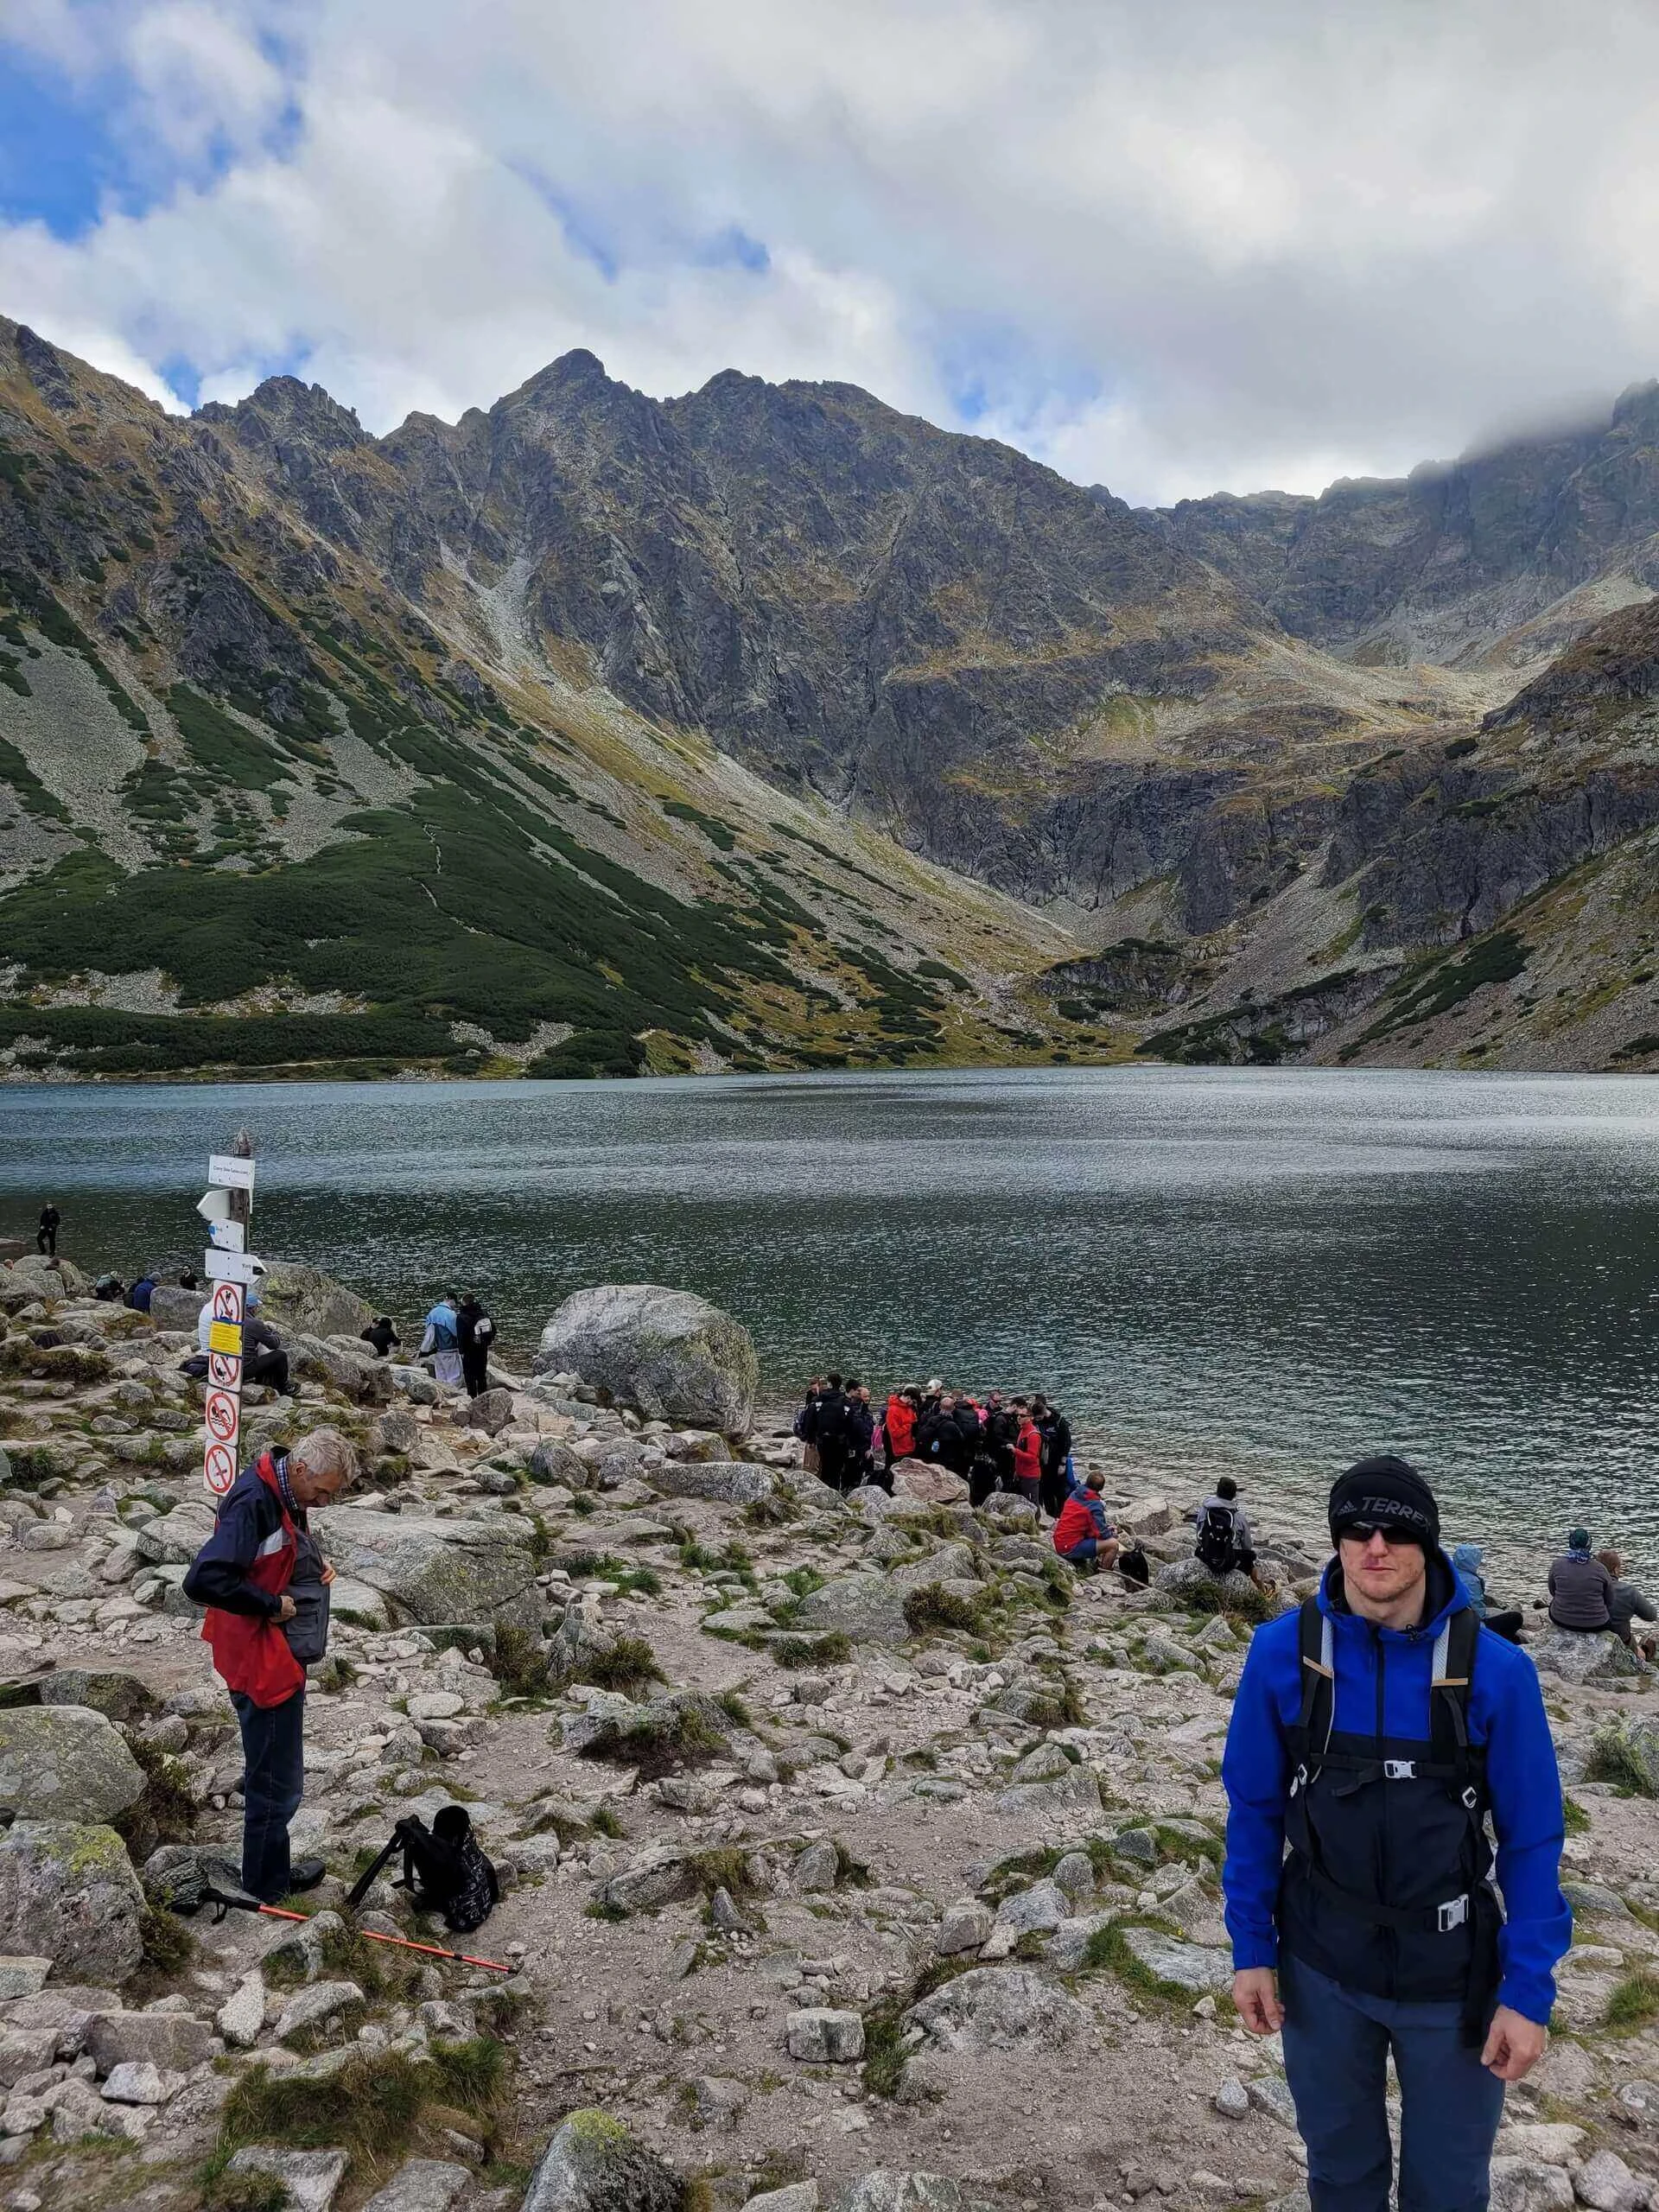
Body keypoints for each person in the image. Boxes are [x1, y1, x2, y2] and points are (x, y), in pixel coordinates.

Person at [1223, 1454, 1569, 2212]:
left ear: (1430, 1546)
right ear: (1337, 1540)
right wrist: (1251, 1948)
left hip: (1452, 1979)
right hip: (1320, 1966)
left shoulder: (1498, 1672)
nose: (1375, 1547)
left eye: (1396, 1532)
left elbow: (1533, 1838)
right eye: (1356, 1529)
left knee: (1446, 2190)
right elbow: (1252, 1807)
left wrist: (1528, 1989)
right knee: (1340, 2175)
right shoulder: (1283, 1654)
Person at [182, 1427, 359, 1902]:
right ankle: (265, 1887)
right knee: (276, 1778)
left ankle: (271, 1870)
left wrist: (312, 1566)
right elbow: (202, 1580)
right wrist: (268, 1604)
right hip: (259, 1656)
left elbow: (277, 1549)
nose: (323, 1504)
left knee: (276, 1768)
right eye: (322, 1493)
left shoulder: (282, 1487)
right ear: (301, 1470)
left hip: (270, 1650)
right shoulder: (252, 1502)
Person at [200, 1286, 295, 1397]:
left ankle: (264, 1382)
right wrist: (271, 1333)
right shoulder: (254, 1324)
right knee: (280, 1355)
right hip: (242, 1370)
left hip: (222, 1366)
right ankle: (284, 1387)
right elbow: (274, 1344)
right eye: (256, 1307)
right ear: (252, 1308)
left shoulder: (224, 1318)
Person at [1452, 1541, 1524, 1644]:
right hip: (1470, 1626)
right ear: (1472, 1561)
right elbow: (1478, 1612)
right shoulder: (1471, 1581)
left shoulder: (1450, 1573)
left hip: (1453, 1621)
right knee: (1516, 1618)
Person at [1052, 1466, 1119, 1573]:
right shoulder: (1095, 1505)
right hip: (1069, 1547)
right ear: (1101, 1488)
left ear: (1087, 1482)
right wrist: (1111, 1533)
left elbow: (1086, 1523)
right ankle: (1105, 1574)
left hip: (1060, 1541)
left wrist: (1106, 1529)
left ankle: (1095, 1562)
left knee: (1102, 1538)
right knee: (1113, 1544)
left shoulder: (1075, 1494)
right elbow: (1101, 1533)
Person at [1547, 1528, 1614, 1631]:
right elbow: (1609, 1599)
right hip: (1596, 1623)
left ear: (1570, 1544)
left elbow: (1553, 1591)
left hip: (1561, 1619)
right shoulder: (1600, 1568)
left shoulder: (1557, 1564)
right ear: (1589, 1545)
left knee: (1552, 1604)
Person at [1598, 1550, 1658, 1662]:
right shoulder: (1628, 1591)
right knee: (1641, 1647)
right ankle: (1644, 1655)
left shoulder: (1589, 1588)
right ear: (1616, 1569)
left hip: (1593, 1633)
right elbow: (1651, 1615)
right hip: (1621, 1640)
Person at [1194, 1477, 1256, 1580]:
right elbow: (1247, 1545)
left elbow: (1199, 1535)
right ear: (1234, 1495)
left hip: (1206, 1556)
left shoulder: (1205, 1510)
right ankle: (1260, 1589)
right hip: (1228, 1561)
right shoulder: (1239, 1517)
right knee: (1251, 1557)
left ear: (1217, 1491)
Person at [813, 1373, 854, 1492]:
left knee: (825, 1466)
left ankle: (824, 1491)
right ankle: (835, 1491)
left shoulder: (819, 1400)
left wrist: (811, 1438)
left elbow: (812, 1419)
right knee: (837, 1468)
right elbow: (850, 1424)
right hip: (839, 1441)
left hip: (823, 1439)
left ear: (829, 1383)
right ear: (840, 1385)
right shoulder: (845, 1402)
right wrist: (849, 1442)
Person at [1037, 1398, 1073, 1522]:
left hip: (1058, 1462)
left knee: (1060, 1491)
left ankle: (1063, 1516)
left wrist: (1063, 1463)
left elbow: (1067, 1443)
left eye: (1039, 1418)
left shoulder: (1059, 1421)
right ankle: (1051, 1517)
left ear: (1044, 1412)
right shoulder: (1038, 1422)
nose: (1037, 1421)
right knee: (1046, 1491)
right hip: (1044, 1462)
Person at [420, 1294, 464, 1390]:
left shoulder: (432, 1312)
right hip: (450, 1350)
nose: (455, 1306)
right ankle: (452, 1396)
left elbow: (428, 1332)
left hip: (437, 1350)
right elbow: (456, 1333)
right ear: (452, 1300)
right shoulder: (450, 1314)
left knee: (440, 1377)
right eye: (455, 1303)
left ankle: (442, 1395)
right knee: (454, 1377)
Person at [457, 1294, 494, 1398]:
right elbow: (493, 1330)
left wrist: (461, 1351)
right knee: (481, 1375)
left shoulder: (461, 1317)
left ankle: (472, 1398)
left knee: (470, 1376)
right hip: (482, 1349)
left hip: (469, 1350)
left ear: (464, 1303)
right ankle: (483, 1396)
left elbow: (461, 1336)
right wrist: (486, 1343)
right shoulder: (484, 1313)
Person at [1010, 1400, 1043, 1507]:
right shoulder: (1022, 1430)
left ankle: (1036, 1522)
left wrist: (1015, 1451)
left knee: (1032, 1504)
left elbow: (1032, 1458)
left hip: (1030, 1475)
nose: (1019, 1417)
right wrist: (1017, 1470)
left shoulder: (1033, 1435)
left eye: (1022, 1415)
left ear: (1030, 1417)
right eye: (1018, 1415)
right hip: (1022, 1474)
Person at [883, 1387, 918, 1471]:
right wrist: (909, 1426)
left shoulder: (908, 1407)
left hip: (910, 1448)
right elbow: (895, 1433)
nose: (913, 1404)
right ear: (908, 1398)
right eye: (913, 1401)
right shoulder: (893, 1410)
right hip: (899, 1451)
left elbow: (913, 1420)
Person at [795, 1380, 824, 1475]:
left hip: (816, 1435)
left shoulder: (821, 1398)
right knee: (811, 1460)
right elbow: (809, 1421)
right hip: (812, 1436)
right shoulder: (811, 1398)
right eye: (812, 1389)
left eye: (815, 1389)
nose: (813, 1391)